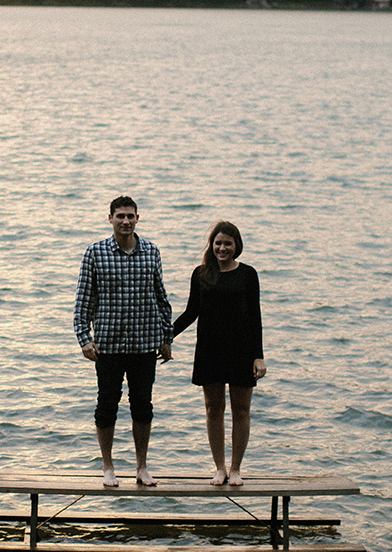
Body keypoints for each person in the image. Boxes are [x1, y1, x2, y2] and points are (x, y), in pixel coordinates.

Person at [74, 196, 173, 488]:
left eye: (130, 216)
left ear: (138, 219)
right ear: (110, 219)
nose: (125, 221)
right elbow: (84, 299)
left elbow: (160, 297)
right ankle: (108, 466)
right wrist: (84, 338)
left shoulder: (151, 251)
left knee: (143, 406)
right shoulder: (95, 252)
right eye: (120, 216)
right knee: (107, 404)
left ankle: (141, 467)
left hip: (144, 343)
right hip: (108, 344)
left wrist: (166, 337)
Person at [171, 221, 267, 487]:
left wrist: (258, 355)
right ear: (211, 245)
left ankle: (236, 469)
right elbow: (191, 312)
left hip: (242, 350)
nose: (222, 248)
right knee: (214, 409)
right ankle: (219, 467)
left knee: (241, 410)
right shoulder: (201, 273)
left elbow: (255, 316)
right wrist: (166, 336)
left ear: (236, 246)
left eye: (227, 243)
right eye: (218, 243)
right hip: (209, 350)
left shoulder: (248, 274)